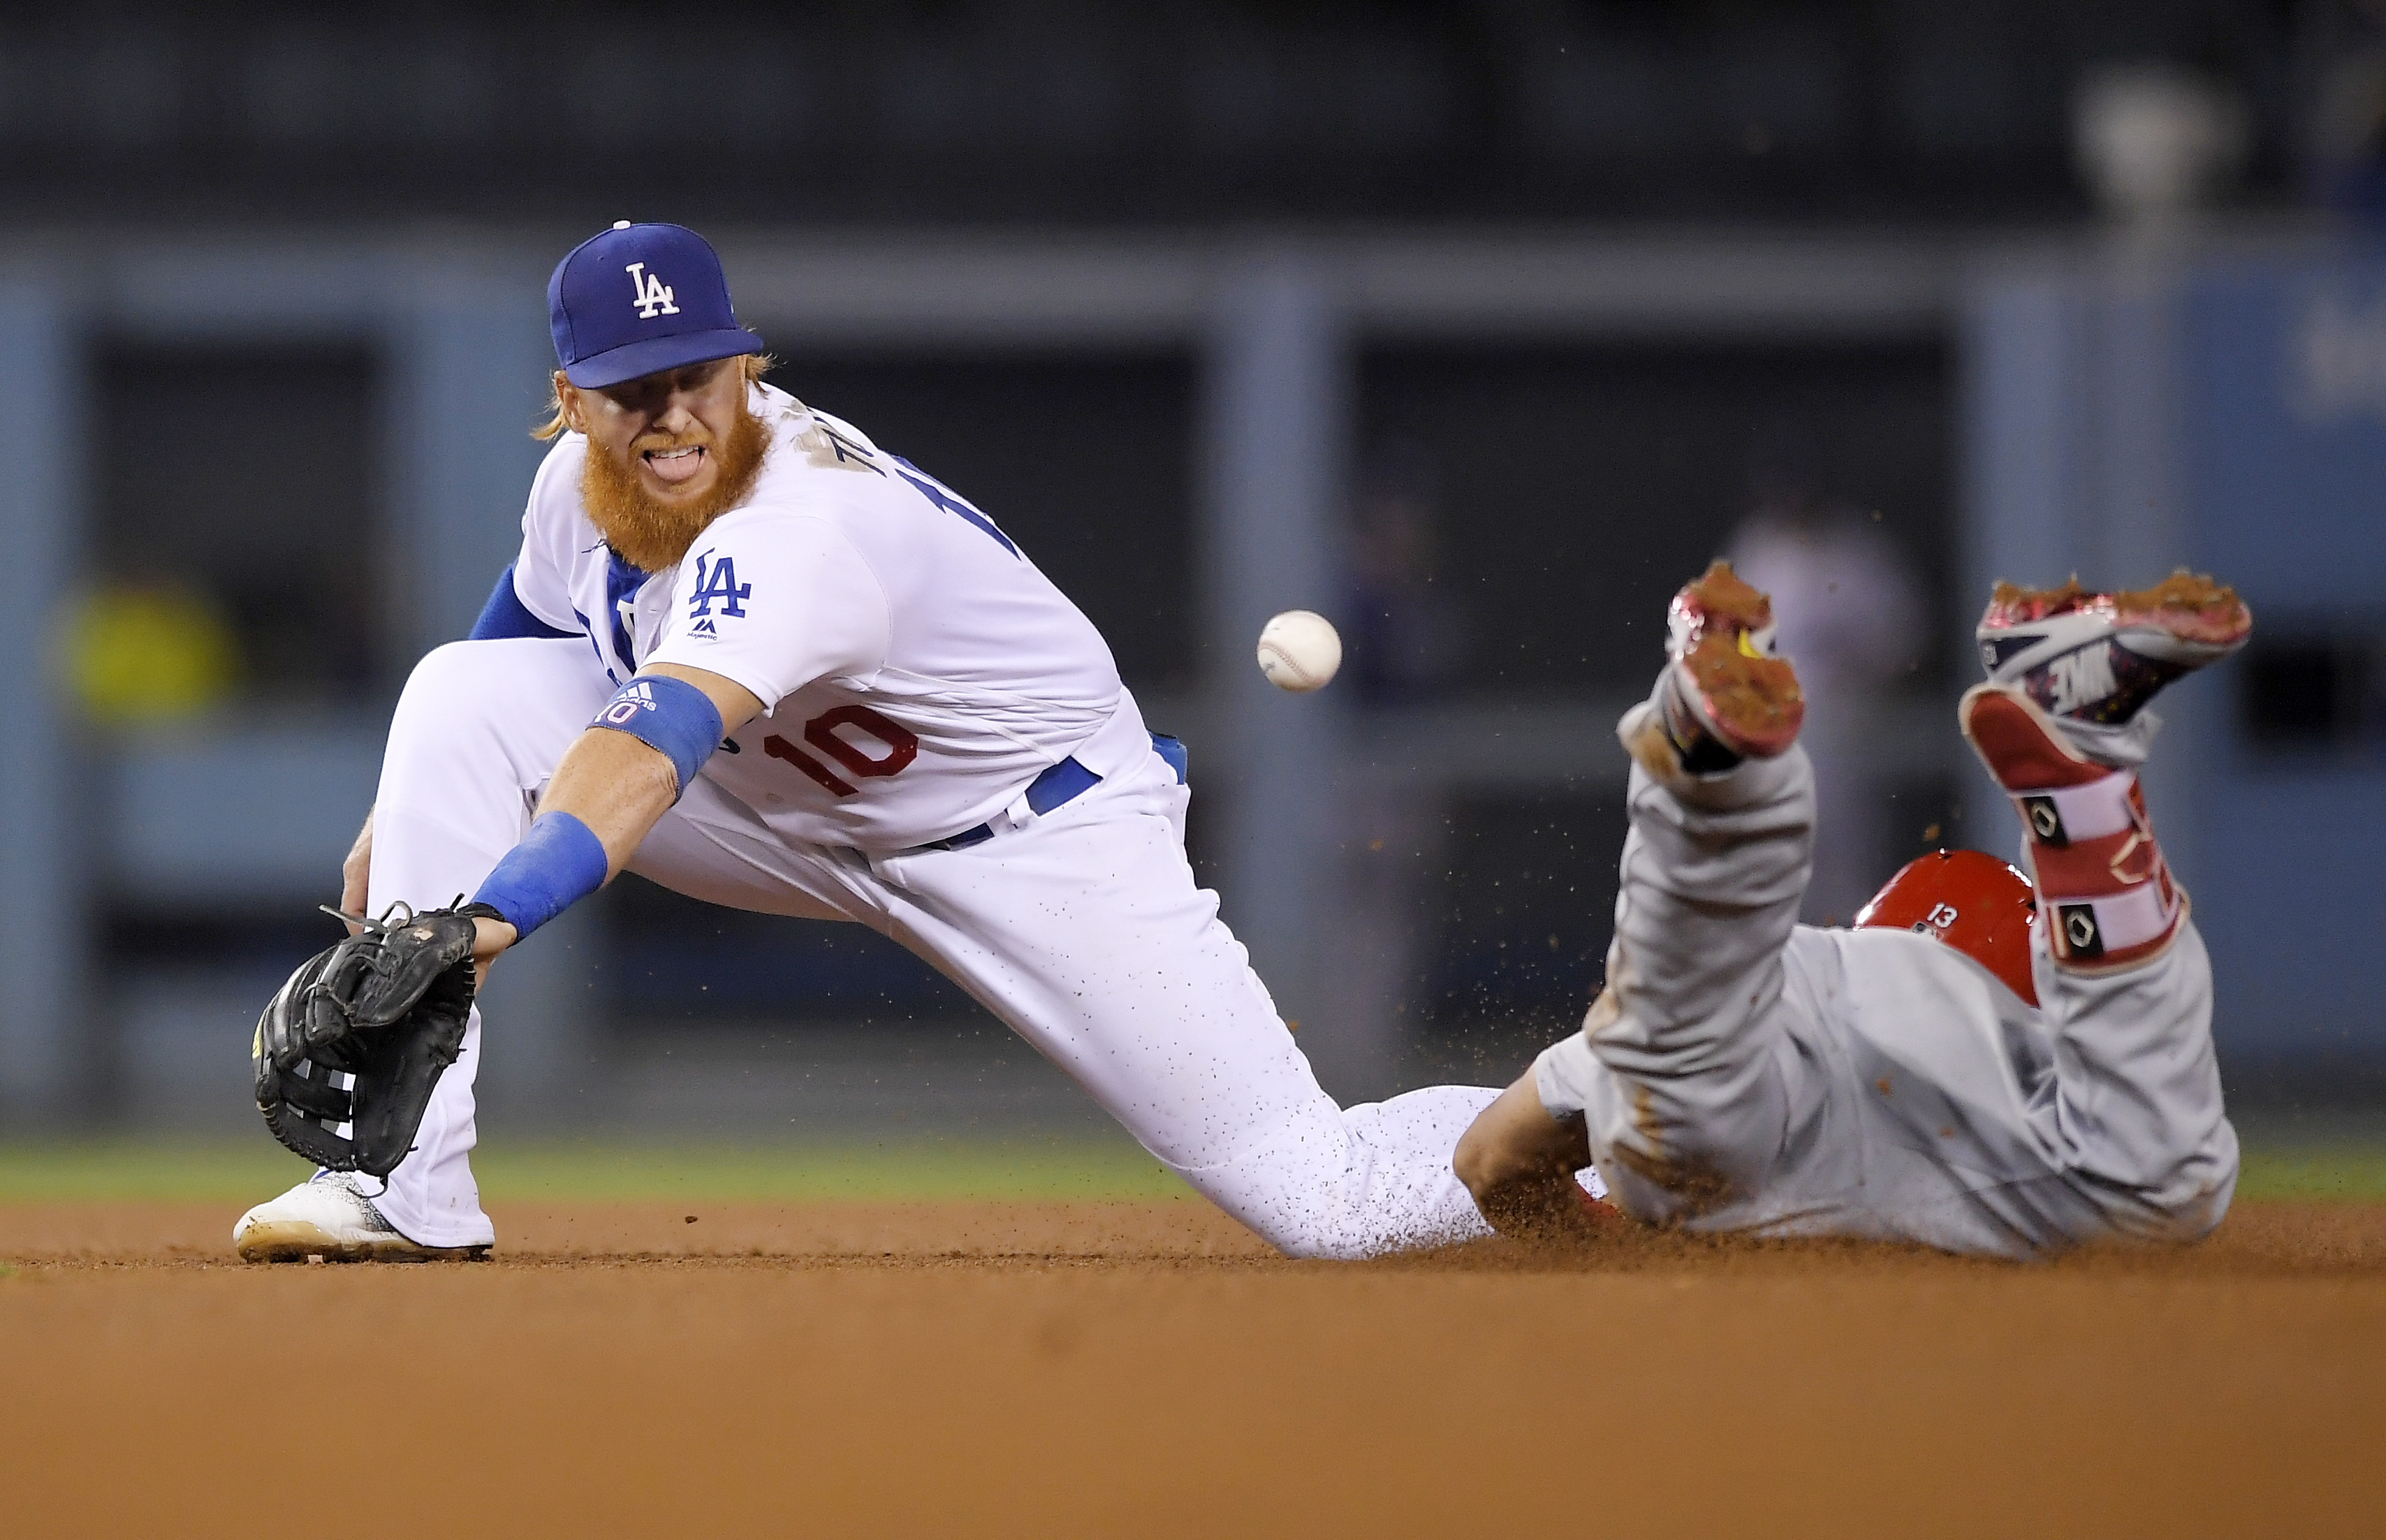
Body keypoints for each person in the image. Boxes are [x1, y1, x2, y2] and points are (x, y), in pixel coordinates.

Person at [233, 221, 1579, 1262]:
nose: (675, 415)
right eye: (632, 388)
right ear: (571, 401)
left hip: (1035, 834)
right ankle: (400, 1189)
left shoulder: (799, 523)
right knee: (452, 695)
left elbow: (647, 749)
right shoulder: (572, 496)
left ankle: (1634, 1136)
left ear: (746, 364)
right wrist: (413, 816)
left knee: (1320, 1198)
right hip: (801, 814)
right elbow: (514, 650)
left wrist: (483, 914)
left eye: (698, 372)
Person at [1454, 562, 2247, 1258]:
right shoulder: (2016, 1059)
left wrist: (1621, 1253)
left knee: (1687, 1079)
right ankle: (2080, 762)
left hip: (1770, 1030)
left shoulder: (1813, 972)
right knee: (2156, 1187)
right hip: (1971, 1125)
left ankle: (1707, 790)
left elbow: (1489, 1161)